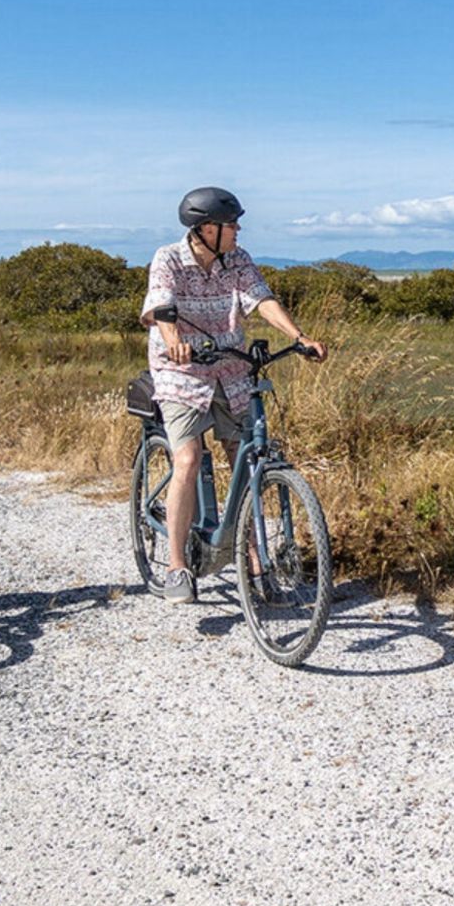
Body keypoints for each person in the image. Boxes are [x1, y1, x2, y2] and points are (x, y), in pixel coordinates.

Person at [140, 186, 327, 605]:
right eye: (231, 224)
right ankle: (177, 567)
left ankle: (256, 565)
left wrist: (300, 337)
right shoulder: (168, 258)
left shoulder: (237, 260)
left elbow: (262, 300)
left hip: (230, 366)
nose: (238, 230)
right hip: (181, 369)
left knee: (243, 458)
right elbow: (161, 308)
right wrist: (174, 340)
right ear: (206, 229)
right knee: (187, 459)